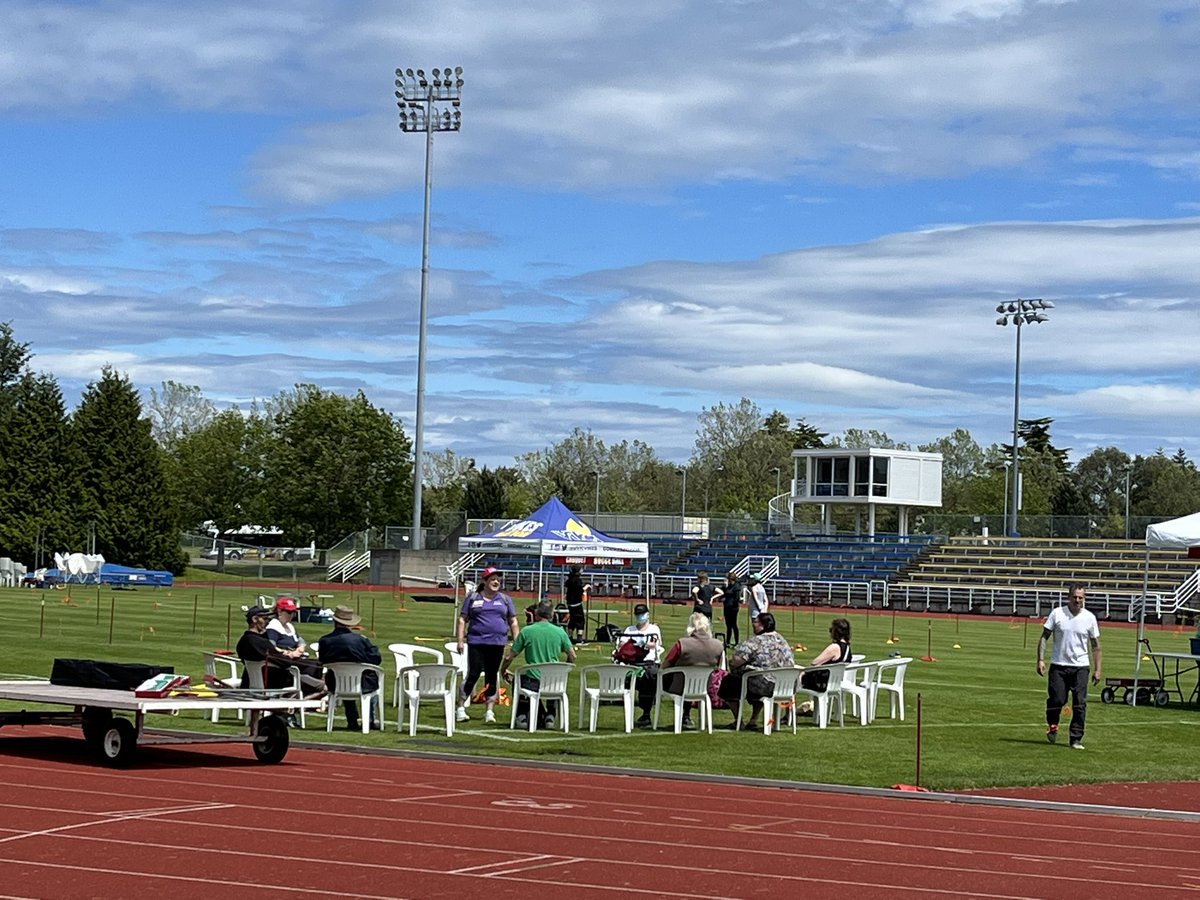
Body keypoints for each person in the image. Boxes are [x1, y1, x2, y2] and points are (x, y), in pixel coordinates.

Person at [1038, 583, 1102, 750]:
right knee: (1057, 699)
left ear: (1084, 598)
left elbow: (1096, 645)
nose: (1077, 600)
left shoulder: (1089, 618)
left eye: (1081, 597)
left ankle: (1076, 738)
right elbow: (1044, 636)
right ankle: (1052, 724)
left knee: (1080, 703)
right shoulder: (1057, 613)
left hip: (1081, 667)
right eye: (1075, 597)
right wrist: (1041, 659)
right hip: (1059, 665)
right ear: (1069, 596)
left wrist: (1097, 669)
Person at [456, 566, 519, 725]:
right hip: (477, 642)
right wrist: (460, 640)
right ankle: (461, 707)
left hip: (497, 643)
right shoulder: (473, 598)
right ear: (484, 581)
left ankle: (489, 710)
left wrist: (517, 640)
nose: (496, 582)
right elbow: (463, 619)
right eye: (492, 579)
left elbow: (513, 621)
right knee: (474, 673)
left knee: (492, 675)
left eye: (498, 579)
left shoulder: (504, 599)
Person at [500, 598, 577, 728]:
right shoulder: (560, 632)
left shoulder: (527, 631)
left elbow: (509, 657)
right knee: (552, 680)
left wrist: (503, 670)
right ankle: (550, 715)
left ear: (536, 614)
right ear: (552, 615)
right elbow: (573, 656)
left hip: (533, 681)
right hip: (554, 681)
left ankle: (522, 715)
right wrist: (565, 668)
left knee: (518, 679)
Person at [719, 612, 795, 730]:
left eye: (755, 622)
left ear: (762, 625)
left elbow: (736, 661)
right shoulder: (782, 640)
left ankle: (738, 720)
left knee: (729, 683)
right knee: (752, 681)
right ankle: (753, 719)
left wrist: (733, 663)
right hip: (785, 686)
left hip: (764, 684)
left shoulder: (756, 641)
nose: (753, 624)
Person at [318, 605, 383, 731]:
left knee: (346, 677)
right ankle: (369, 719)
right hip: (363, 683)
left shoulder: (325, 641)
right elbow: (376, 659)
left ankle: (352, 720)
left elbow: (322, 660)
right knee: (367, 681)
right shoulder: (359, 640)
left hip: (335, 683)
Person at [662, 612, 724, 729]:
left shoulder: (682, 644)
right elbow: (718, 666)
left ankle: (647, 715)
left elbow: (665, 665)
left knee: (660, 676)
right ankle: (686, 716)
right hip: (704, 686)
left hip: (679, 686)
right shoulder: (718, 645)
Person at [265, 597, 325, 695]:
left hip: (295, 658)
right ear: (279, 611)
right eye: (289, 612)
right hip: (283, 661)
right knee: (311, 666)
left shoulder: (289, 626)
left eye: (293, 612)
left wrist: (301, 647)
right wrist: (290, 653)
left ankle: (311, 691)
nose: (292, 615)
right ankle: (306, 691)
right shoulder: (273, 626)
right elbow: (271, 646)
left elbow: (300, 639)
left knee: (318, 663)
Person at [616, 602, 663, 727]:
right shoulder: (629, 630)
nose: (640, 617)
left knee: (650, 676)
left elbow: (653, 643)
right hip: (631, 662)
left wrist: (642, 643)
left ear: (647, 614)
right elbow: (621, 645)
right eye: (638, 614)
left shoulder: (654, 629)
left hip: (648, 662)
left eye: (642, 614)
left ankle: (646, 713)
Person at [236, 605, 304, 691]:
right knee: (317, 682)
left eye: (269, 619)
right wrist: (290, 655)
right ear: (254, 619)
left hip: (253, 680)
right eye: (265, 619)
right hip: (273, 682)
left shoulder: (246, 640)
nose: (268, 622)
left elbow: (274, 655)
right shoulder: (256, 641)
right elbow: (284, 662)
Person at [801, 617, 852, 692]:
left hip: (822, 682)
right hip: (835, 681)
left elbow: (814, 663)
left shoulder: (835, 647)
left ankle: (790, 702)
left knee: (797, 674)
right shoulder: (847, 648)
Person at [564, 566, 591, 643]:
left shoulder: (569, 580)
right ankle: (579, 639)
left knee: (572, 620)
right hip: (576, 604)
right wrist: (586, 587)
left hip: (570, 604)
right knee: (580, 620)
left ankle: (569, 637)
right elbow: (579, 591)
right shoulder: (577, 581)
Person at [721, 570, 744, 647]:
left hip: (733, 608)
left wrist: (730, 603)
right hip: (727, 607)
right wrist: (724, 587)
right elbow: (724, 593)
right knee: (728, 625)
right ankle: (727, 641)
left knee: (734, 625)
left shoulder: (736, 586)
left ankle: (737, 642)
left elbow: (736, 598)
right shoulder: (728, 586)